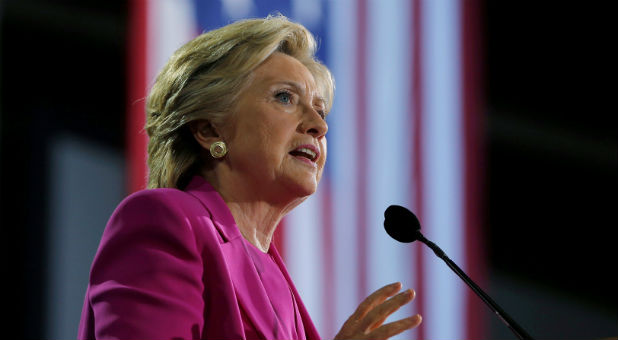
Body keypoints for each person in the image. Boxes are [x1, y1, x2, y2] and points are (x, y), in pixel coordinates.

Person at [78, 15, 422, 340]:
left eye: (319, 109)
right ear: (210, 130)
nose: (319, 125)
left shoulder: (279, 282)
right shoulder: (165, 220)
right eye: (285, 98)